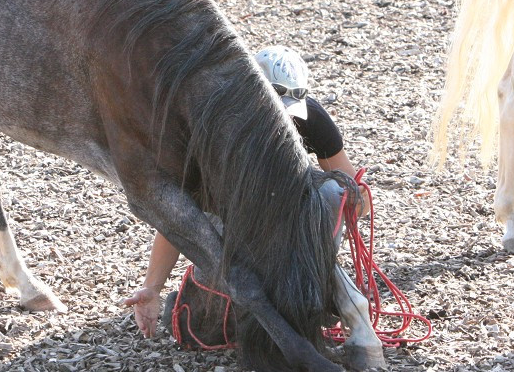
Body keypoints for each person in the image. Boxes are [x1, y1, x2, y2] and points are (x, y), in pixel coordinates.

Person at [124, 45, 366, 338]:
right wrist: (152, 287)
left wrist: (329, 206)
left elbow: (356, 200)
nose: (284, 126)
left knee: (331, 192)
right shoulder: (213, 129)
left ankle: (316, 287)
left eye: (289, 117)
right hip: (231, 232)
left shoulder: (310, 119)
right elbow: (181, 214)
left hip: (291, 235)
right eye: (274, 116)